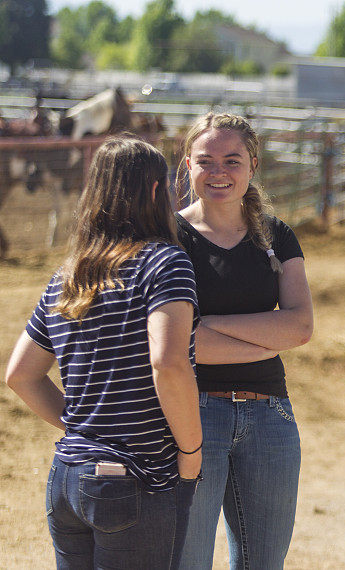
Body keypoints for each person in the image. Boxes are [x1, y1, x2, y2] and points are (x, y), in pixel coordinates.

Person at [4, 136, 203, 569]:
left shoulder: (69, 274)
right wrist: (191, 451)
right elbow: (168, 363)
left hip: (67, 476)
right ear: (155, 190)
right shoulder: (166, 264)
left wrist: (87, 431)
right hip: (135, 479)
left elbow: (20, 375)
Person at [174, 112, 313, 570]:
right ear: (187, 163)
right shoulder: (168, 239)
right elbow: (178, 344)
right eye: (206, 160)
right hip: (191, 414)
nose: (219, 173)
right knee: (188, 561)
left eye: (232, 160)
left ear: (253, 164)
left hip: (270, 417)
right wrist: (264, 337)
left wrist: (207, 324)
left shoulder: (277, 237)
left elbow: (299, 327)